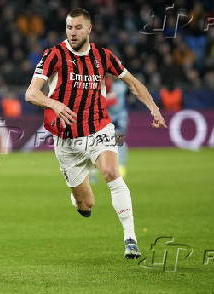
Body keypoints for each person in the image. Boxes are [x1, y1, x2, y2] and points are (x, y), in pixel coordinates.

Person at [25, 8, 167, 259]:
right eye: (69, 27)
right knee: (85, 205)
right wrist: (55, 104)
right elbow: (31, 93)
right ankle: (78, 194)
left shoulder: (103, 56)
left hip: (99, 128)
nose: (73, 32)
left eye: (78, 27)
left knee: (112, 172)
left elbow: (133, 83)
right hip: (67, 140)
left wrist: (154, 108)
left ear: (89, 29)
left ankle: (130, 238)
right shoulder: (53, 55)